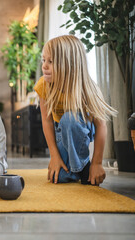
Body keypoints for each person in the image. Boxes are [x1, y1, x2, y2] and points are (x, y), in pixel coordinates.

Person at [34, 35, 117, 185]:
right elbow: (47, 122)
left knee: (69, 119)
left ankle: (84, 166)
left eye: (50, 61)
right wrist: (54, 156)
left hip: (80, 128)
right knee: (59, 178)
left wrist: (97, 163)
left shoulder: (87, 88)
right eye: (44, 60)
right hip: (61, 133)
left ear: (69, 64)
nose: (44, 66)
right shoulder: (43, 85)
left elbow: (101, 125)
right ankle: (79, 169)